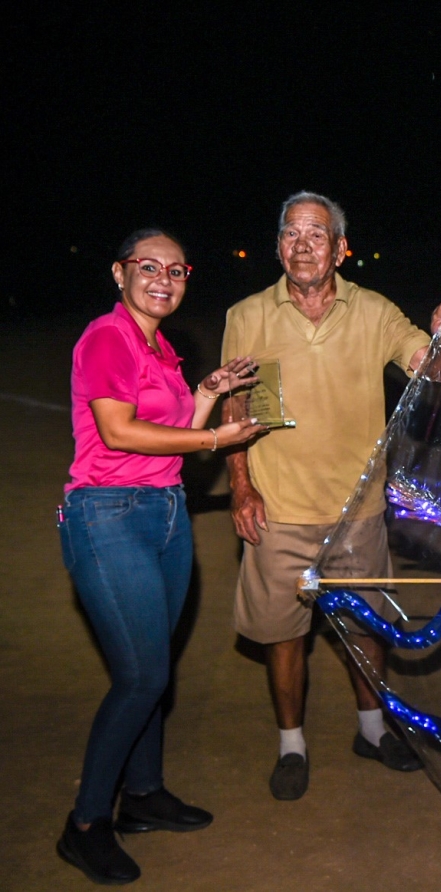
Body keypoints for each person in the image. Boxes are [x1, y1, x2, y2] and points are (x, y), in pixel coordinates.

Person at [221, 191, 441, 801]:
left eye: (317, 234)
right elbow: (235, 406)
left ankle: (371, 729)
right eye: (291, 233)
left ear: (341, 248)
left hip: (357, 511)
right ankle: (292, 744)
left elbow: (428, 368)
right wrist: (241, 486)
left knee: (367, 628)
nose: (303, 244)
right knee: (284, 635)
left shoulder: (374, 311)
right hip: (277, 508)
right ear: (278, 245)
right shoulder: (247, 314)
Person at [56, 230, 265, 884]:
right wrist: (213, 435)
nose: (163, 279)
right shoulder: (106, 338)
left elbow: (167, 432)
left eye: (176, 270)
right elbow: (118, 430)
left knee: (155, 666)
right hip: (107, 515)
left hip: (165, 515)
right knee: (141, 675)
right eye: (148, 267)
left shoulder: (160, 348)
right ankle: (86, 823)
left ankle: (142, 796)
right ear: (120, 272)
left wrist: (206, 391)